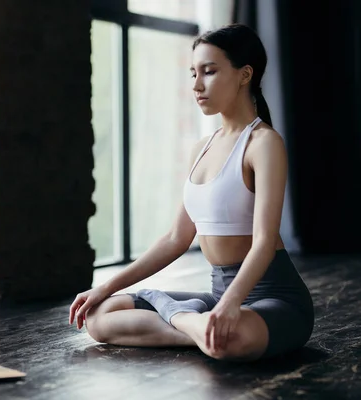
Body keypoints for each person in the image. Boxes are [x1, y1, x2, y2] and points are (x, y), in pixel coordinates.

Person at [69, 23, 314, 361]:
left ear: (245, 75)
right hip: (218, 295)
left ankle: (182, 317)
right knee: (100, 317)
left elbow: (264, 241)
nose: (197, 85)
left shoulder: (264, 143)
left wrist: (229, 306)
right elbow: (176, 238)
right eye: (193, 73)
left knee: (231, 339)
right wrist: (105, 286)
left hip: (273, 300)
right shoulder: (202, 147)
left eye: (209, 72)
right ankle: (197, 328)